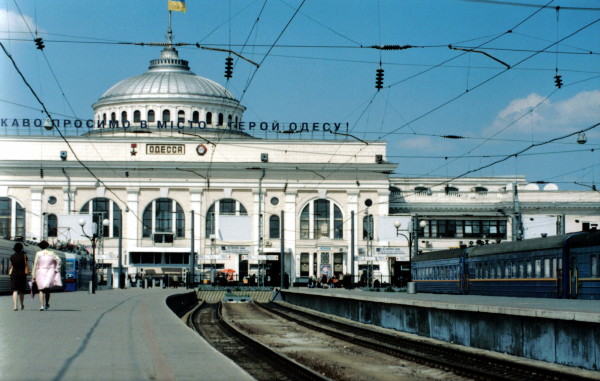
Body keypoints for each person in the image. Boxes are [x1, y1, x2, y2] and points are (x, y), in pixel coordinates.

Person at [32, 241, 62, 311]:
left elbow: (35, 264)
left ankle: (41, 305)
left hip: (40, 272)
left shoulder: (38, 253)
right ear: (47, 246)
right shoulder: (52, 253)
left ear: (40, 246)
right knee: (47, 289)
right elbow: (59, 260)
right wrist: (57, 269)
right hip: (50, 271)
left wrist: (33, 274)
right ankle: (47, 304)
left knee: (41, 289)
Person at [9, 242, 28, 311]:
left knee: (15, 290)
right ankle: (21, 304)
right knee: (21, 291)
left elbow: (11, 266)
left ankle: (15, 306)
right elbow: (26, 265)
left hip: (14, 274)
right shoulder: (24, 256)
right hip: (22, 275)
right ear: (21, 249)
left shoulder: (12, 257)